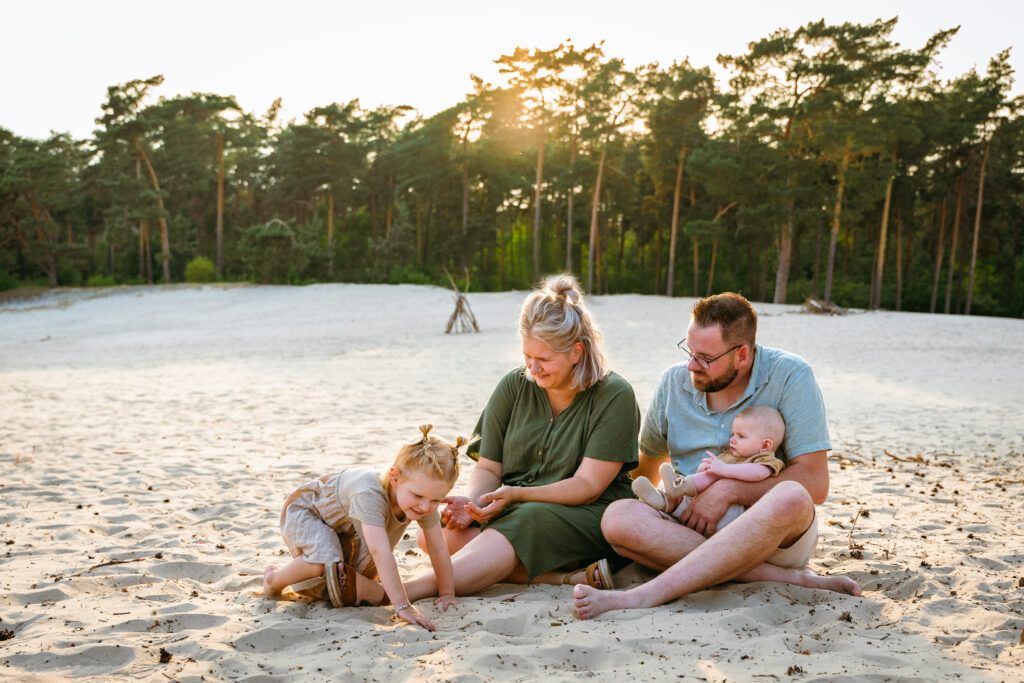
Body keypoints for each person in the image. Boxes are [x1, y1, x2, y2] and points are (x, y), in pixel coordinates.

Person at [574, 292, 860, 620]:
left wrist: (729, 489)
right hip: (688, 528)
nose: (691, 365)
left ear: (741, 354)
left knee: (792, 497)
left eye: (705, 358)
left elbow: (815, 483)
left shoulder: (791, 375)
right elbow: (647, 467)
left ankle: (646, 594)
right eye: (689, 350)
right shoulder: (673, 382)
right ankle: (786, 580)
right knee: (618, 517)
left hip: (768, 536)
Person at [402, 273, 640, 602]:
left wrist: (517, 496)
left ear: (576, 352)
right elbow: (488, 469)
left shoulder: (614, 396)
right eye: (527, 356)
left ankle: (408, 590)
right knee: (434, 536)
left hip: (587, 514)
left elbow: (587, 486)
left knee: (527, 520)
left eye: (543, 359)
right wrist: (476, 505)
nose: (533, 367)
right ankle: (560, 578)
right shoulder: (514, 386)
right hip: (514, 508)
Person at [263, 424, 463, 631]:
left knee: (353, 575)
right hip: (308, 512)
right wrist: (403, 606)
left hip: (346, 529)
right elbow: (380, 550)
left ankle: (316, 575)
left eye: (436, 500)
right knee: (322, 559)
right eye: (418, 496)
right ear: (394, 477)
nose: (426, 506)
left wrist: (447, 593)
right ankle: (273, 580)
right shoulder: (368, 494)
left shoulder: (424, 502)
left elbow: (438, 548)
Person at [632, 406, 786, 518]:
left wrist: (723, 470)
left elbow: (758, 474)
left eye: (741, 436)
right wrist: (703, 470)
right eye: (733, 434)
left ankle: (677, 489)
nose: (732, 439)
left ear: (765, 445)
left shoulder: (765, 460)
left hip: (735, 512)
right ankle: (663, 499)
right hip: (702, 503)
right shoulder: (731, 455)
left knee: (703, 487)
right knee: (683, 501)